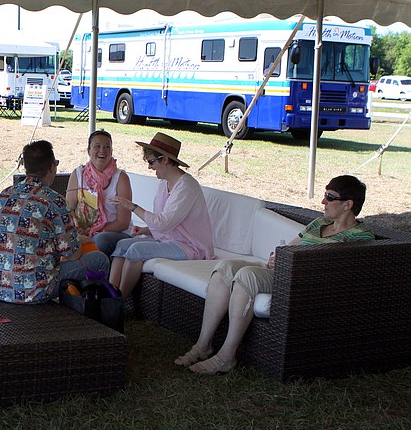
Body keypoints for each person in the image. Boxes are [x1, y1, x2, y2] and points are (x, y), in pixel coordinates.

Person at [177, 175, 375, 375]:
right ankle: (203, 345)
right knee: (224, 268)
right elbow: (288, 249)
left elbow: (340, 271)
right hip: (284, 273)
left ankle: (226, 357)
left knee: (247, 276)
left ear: (348, 204)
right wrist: (276, 258)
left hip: (303, 282)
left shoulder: (360, 237)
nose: (323, 201)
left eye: (330, 197)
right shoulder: (318, 224)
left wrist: (290, 262)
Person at [0, 140, 110, 304]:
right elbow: (72, 254)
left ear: (27, 167)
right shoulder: (55, 201)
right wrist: (79, 240)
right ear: (51, 167)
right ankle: (83, 316)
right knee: (99, 260)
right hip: (34, 291)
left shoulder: (5, 195)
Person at [107, 132, 214, 300]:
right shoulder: (165, 183)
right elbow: (166, 221)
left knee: (136, 250)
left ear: (165, 160)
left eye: (151, 161)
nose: (149, 167)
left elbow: (163, 223)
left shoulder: (186, 187)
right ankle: (109, 296)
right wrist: (146, 230)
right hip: (169, 240)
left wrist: (131, 206)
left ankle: (118, 302)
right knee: (122, 245)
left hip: (190, 247)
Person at [66, 129, 133, 256]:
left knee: (100, 240)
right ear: (88, 151)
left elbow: (123, 222)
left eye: (107, 147)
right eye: (97, 146)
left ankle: (97, 272)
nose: (102, 151)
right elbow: (68, 209)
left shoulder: (121, 178)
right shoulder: (78, 173)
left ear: (112, 152)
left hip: (113, 232)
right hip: (83, 230)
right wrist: (76, 227)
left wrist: (92, 231)